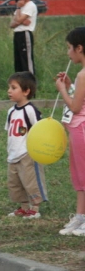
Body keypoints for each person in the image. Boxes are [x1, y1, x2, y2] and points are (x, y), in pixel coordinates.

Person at [55, 27, 85, 236]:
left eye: (69, 48)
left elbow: (75, 107)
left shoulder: (83, 74)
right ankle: (80, 215)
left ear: (79, 48)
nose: (68, 53)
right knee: (79, 175)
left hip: (81, 128)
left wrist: (63, 90)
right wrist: (70, 85)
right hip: (77, 128)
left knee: (82, 174)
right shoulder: (80, 76)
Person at [5, 71, 47, 219]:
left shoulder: (30, 110)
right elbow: (12, 131)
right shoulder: (11, 111)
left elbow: (39, 129)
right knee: (15, 183)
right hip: (13, 155)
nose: (9, 91)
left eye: (13, 87)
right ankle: (23, 206)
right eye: (9, 87)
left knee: (31, 181)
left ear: (26, 91)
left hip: (27, 154)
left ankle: (35, 207)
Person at [9, 0, 37, 75]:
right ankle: (21, 83)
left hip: (25, 34)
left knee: (26, 60)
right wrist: (21, 21)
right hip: (17, 34)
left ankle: (31, 82)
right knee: (18, 61)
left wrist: (18, 9)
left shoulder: (30, 6)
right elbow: (12, 24)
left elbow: (17, 20)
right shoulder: (22, 7)